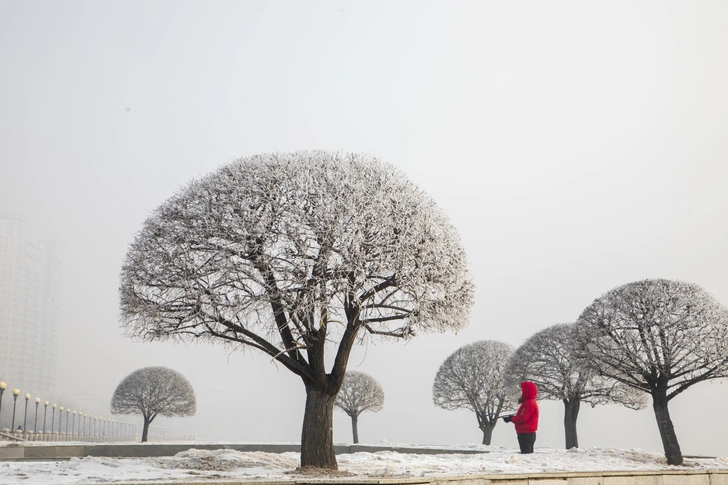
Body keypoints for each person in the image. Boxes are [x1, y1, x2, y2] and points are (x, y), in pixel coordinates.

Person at [502, 381, 539, 454]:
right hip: (526, 433)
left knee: (526, 454)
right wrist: (512, 417)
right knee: (528, 454)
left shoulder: (529, 403)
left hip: (526, 434)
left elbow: (523, 418)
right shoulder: (528, 402)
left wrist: (511, 419)